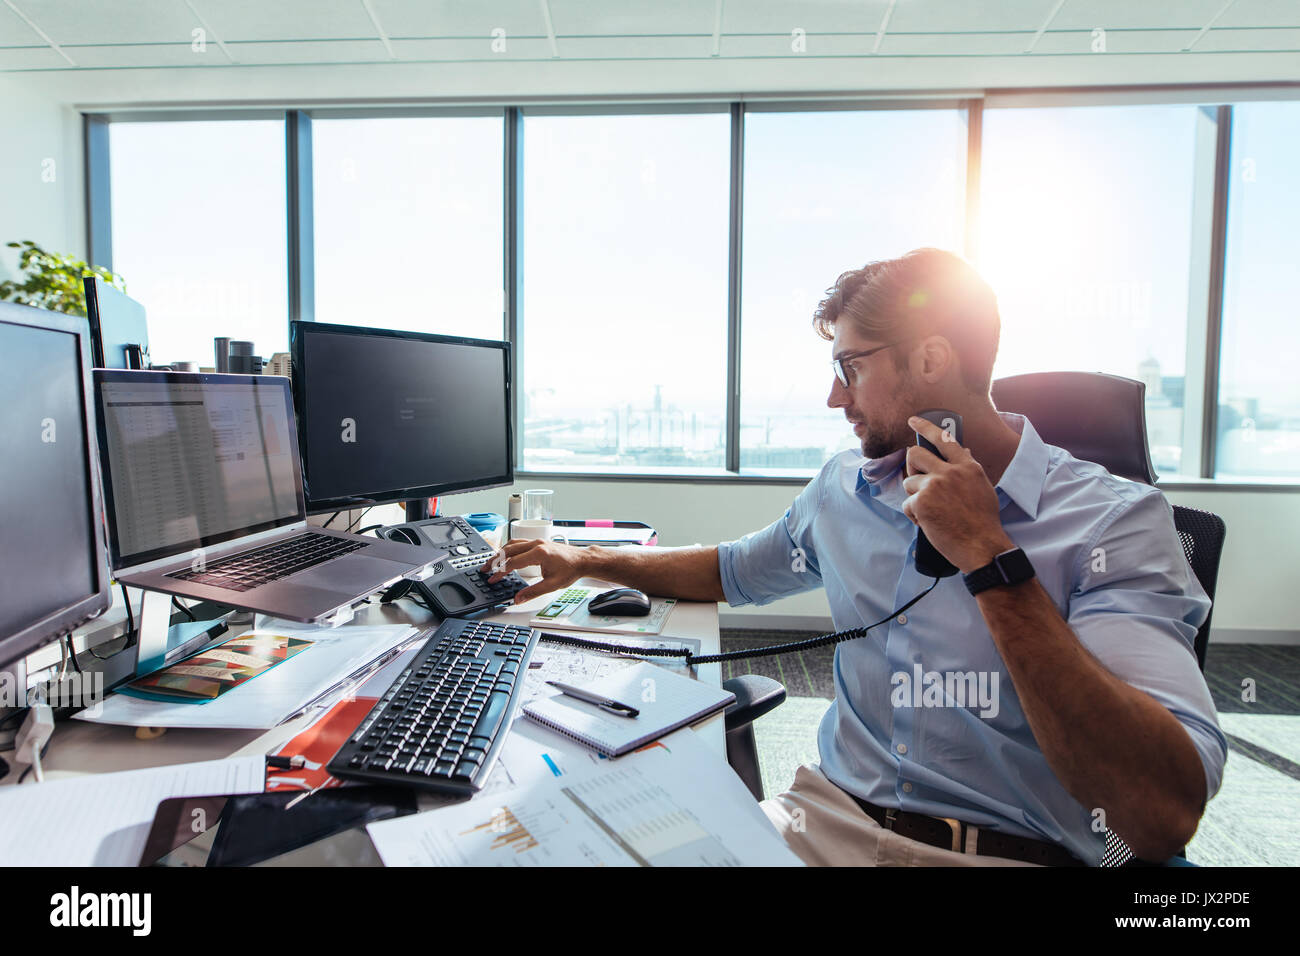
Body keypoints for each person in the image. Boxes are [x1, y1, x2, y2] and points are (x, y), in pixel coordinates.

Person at [486, 248, 1226, 867]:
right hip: (823, 822)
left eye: (851, 366)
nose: (834, 397)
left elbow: (1157, 812)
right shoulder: (845, 488)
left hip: (1009, 851)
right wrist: (582, 558)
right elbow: (731, 569)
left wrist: (990, 557)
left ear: (931, 359)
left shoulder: (1115, 522)